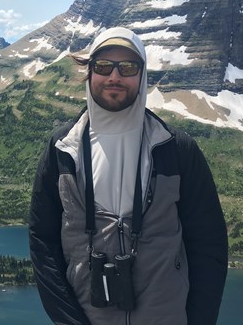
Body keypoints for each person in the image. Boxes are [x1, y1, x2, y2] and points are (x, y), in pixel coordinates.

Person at [29, 27, 228, 325]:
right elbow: (42, 243)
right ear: (89, 73)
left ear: (142, 75)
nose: (114, 77)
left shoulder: (175, 149)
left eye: (128, 67)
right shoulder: (63, 151)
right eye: (104, 66)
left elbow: (209, 245)